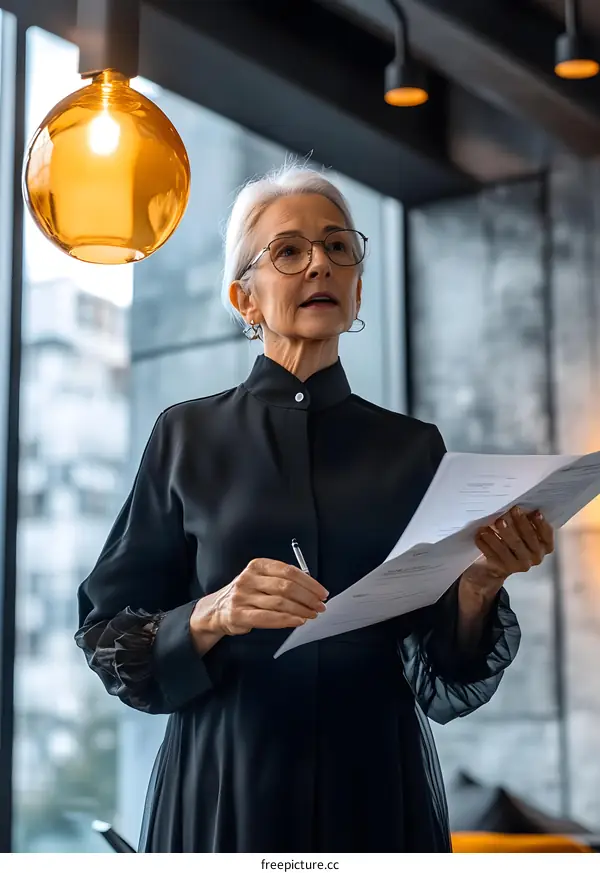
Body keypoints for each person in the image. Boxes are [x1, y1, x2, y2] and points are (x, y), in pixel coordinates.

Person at [74, 162, 555, 853]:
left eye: (337, 247)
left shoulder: (413, 448)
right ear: (244, 298)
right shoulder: (186, 435)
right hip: (225, 780)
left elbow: (442, 666)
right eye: (289, 251)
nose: (319, 264)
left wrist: (479, 584)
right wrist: (214, 611)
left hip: (375, 780)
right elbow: (107, 632)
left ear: (357, 284)